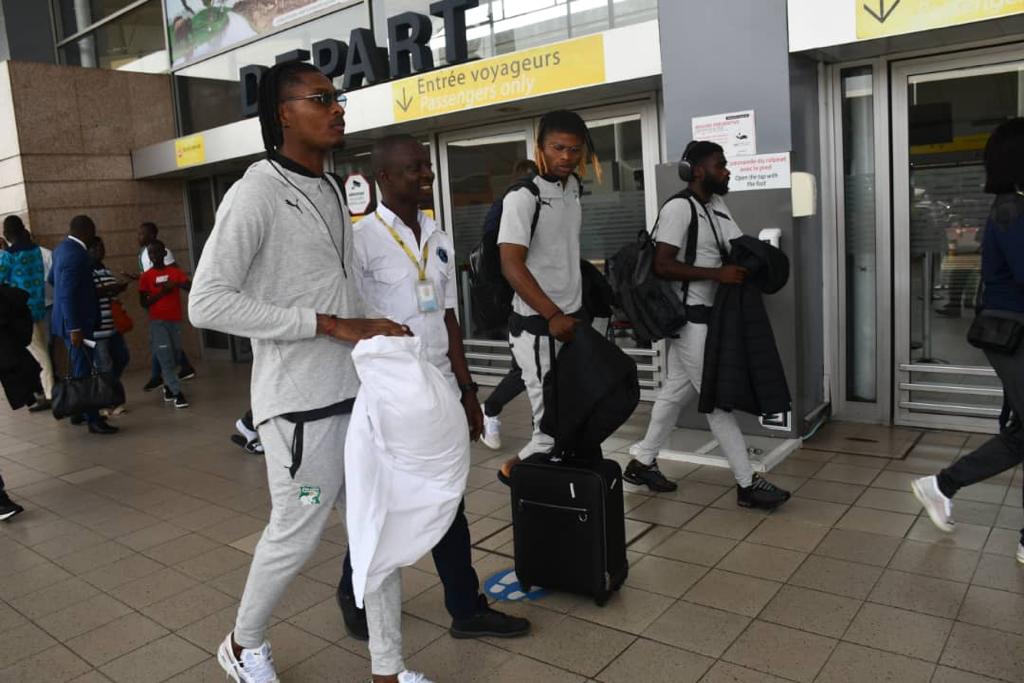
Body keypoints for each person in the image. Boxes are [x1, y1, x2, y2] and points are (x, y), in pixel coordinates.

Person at [188, 60, 430, 683]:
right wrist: (328, 324)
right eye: (320, 98)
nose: (337, 107)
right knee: (296, 532)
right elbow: (206, 303)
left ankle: (388, 669)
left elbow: (335, 291)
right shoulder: (256, 191)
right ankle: (243, 644)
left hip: (357, 395)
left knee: (375, 532)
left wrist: (373, 325)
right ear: (282, 114)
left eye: (337, 96)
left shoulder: (329, 189)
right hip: (300, 407)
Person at [337, 134, 530, 642]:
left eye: (426, 166)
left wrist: (468, 392)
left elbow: (447, 318)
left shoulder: (438, 236)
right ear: (383, 177)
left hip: (440, 387)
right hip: (392, 393)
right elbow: (349, 320)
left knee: (448, 496)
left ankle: (465, 610)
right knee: (385, 499)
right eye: (413, 168)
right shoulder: (361, 241)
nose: (426, 174)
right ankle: (354, 591)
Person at [625, 141, 790, 508]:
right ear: (697, 170)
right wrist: (717, 274)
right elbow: (662, 265)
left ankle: (643, 461)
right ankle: (747, 484)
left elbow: (735, 246)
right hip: (689, 320)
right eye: (720, 165)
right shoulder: (679, 208)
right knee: (717, 402)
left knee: (674, 393)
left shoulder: (715, 205)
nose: (727, 171)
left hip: (707, 318)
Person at [912, 118, 1024, 565]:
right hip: (1012, 333)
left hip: (1013, 330)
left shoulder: (1014, 206)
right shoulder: (1011, 210)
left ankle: (942, 485)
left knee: (1020, 435)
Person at [496, 110, 601, 484]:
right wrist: (553, 314)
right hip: (538, 326)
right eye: (558, 148)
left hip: (570, 323)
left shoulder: (572, 188)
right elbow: (511, 264)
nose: (566, 157)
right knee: (546, 431)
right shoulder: (524, 196)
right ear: (540, 147)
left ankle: (557, 490)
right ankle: (512, 476)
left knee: (571, 415)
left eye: (575, 150)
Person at [478, 159, 539, 450]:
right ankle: (490, 410)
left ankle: (542, 433)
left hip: (529, 299)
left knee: (535, 369)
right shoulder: (509, 205)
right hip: (514, 301)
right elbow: (496, 258)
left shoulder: (523, 205)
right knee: (528, 369)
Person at [48, 215, 117, 434]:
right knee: (84, 371)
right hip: (76, 324)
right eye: (93, 231)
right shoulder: (76, 254)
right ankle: (93, 420)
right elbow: (67, 294)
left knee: (81, 367)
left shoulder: (61, 249)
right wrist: (75, 328)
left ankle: (78, 411)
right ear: (86, 231)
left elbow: (52, 279)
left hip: (68, 321)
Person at [134, 221, 196, 391]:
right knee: (162, 343)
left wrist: (171, 285)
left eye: (142, 233)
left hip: (167, 307)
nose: (139, 237)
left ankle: (163, 376)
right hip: (155, 305)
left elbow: (173, 274)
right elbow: (150, 277)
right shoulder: (144, 253)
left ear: (152, 235)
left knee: (164, 344)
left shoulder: (163, 253)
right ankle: (176, 371)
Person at [0, 216, 53, 411]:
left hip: (21, 312)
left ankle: (50, 394)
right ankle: (45, 391)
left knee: (39, 354)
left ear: (6, 234)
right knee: (42, 349)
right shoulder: (37, 251)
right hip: (39, 306)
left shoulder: (8, 256)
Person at [139, 240, 191, 409]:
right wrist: (162, 292)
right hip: (157, 322)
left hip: (174, 320)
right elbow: (144, 303)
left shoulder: (174, 272)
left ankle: (168, 386)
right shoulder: (146, 277)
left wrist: (178, 283)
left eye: (157, 252)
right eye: (151, 253)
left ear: (164, 253)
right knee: (165, 356)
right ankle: (177, 393)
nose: (154, 256)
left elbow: (189, 286)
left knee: (175, 354)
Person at [89, 236, 130, 414]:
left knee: (122, 357)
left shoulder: (104, 270)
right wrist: (110, 289)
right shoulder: (86, 270)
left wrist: (118, 289)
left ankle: (108, 393)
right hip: (98, 330)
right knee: (104, 366)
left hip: (113, 326)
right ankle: (107, 402)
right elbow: (89, 293)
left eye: (101, 246)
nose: (100, 250)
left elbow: (111, 294)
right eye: (95, 247)